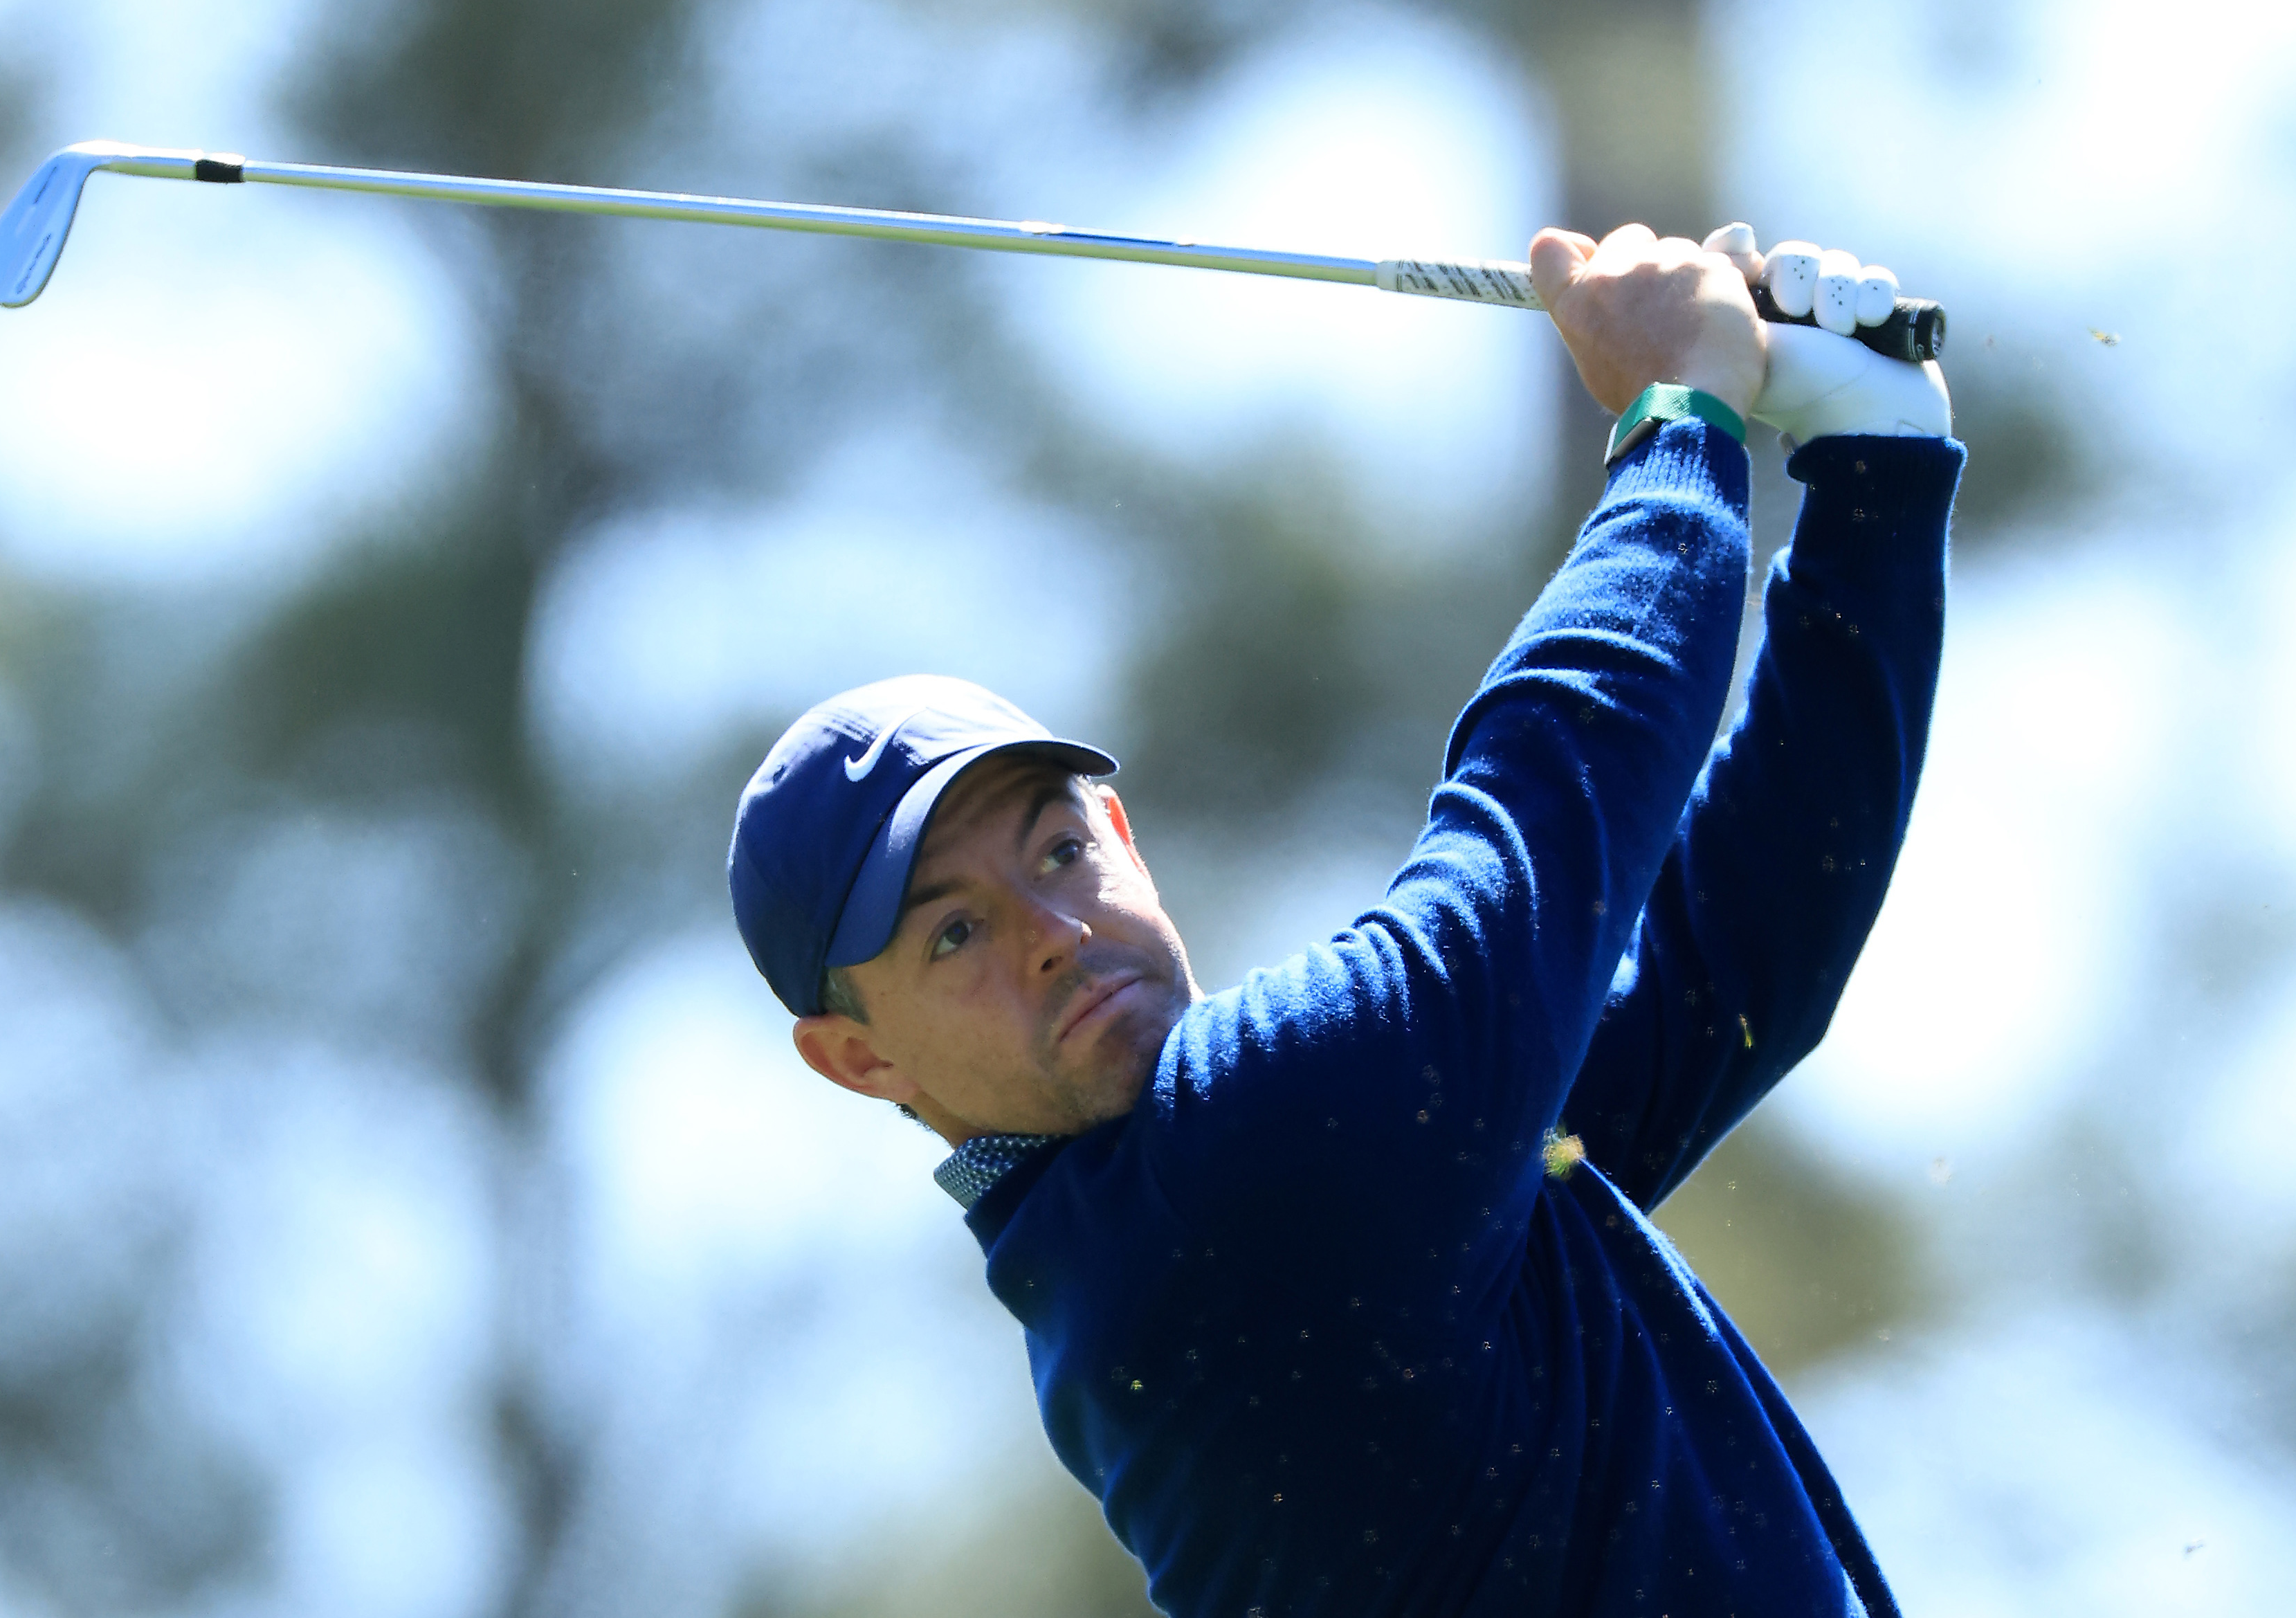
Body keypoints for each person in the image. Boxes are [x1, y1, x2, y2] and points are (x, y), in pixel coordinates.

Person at [727, 221, 1965, 1617]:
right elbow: (1544, 801)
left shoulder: (1363, 1197)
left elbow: (1730, 968)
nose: (1051, 931)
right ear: (858, 1059)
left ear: (1122, 836)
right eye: (950, 934)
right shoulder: (1221, 1200)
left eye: (1060, 848)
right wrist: (1673, 417)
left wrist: (1875, 470)